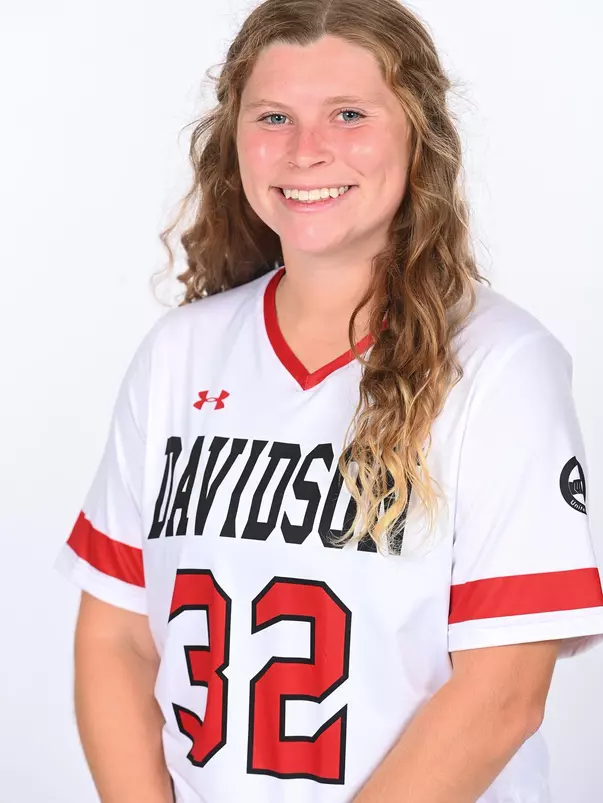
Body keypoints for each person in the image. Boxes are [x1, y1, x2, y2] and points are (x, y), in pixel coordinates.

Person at [54, 1, 603, 801]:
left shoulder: (499, 364)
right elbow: (116, 636)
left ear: (419, 136)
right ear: (232, 140)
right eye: (273, 116)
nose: (306, 150)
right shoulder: (180, 354)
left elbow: (502, 695)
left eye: (348, 114)